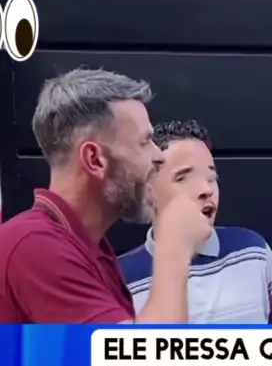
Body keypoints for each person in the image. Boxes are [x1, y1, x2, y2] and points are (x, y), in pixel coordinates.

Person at [0, 68, 211, 324]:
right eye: (144, 142)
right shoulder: (35, 246)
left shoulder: (88, 247)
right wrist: (174, 249)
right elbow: (140, 350)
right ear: (95, 160)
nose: (159, 156)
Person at [120, 120, 272, 324]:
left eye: (211, 177)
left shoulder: (253, 251)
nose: (206, 189)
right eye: (183, 178)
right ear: (149, 191)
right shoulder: (121, 278)